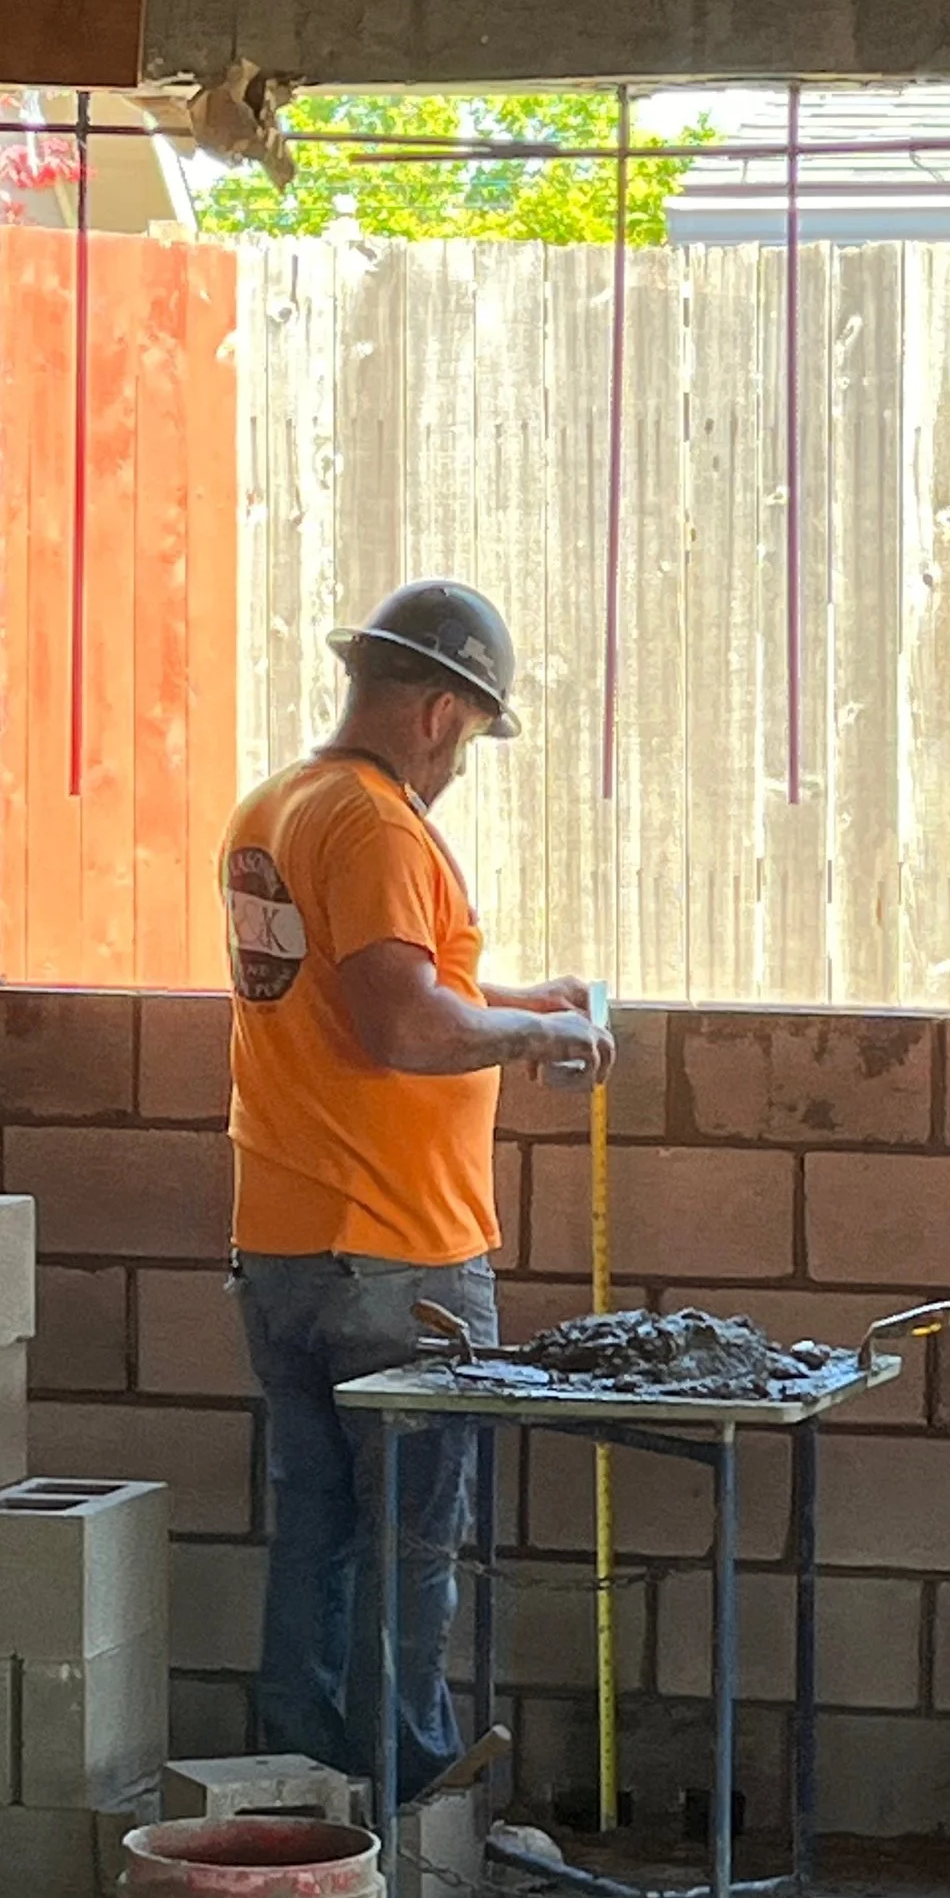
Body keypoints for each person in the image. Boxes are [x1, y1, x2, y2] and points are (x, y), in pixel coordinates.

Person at [223, 579, 614, 1802]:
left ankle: (298, 1814)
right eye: (472, 739)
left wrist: (508, 1003)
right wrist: (530, 1038)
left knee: (316, 1545)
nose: (463, 766)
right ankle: (409, 1818)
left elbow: (371, 998)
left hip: (284, 1244)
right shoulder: (381, 825)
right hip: (397, 1252)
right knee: (409, 1556)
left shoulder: (272, 806)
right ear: (442, 711)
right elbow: (402, 1023)